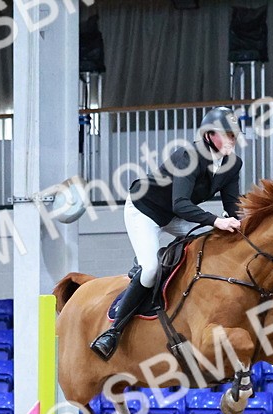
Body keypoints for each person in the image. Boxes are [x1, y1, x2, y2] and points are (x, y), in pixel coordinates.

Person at [90, 106, 245, 361]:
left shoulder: (232, 164)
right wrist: (216, 220)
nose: (232, 139)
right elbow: (180, 203)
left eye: (234, 134)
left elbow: (232, 206)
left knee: (213, 241)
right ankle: (112, 332)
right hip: (145, 209)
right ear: (208, 135)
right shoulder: (188, 156)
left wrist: (244, 227)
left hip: (176, 216)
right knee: (151, 269)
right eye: (226, 134)